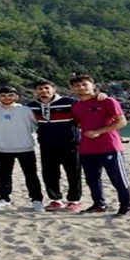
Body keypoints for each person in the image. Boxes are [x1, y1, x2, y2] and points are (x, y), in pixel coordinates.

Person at [69, 75, 130, 218]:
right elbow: (80, 123)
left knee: (118, 179)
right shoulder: (76, 106)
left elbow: (122, 122)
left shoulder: (108, 101)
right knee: (92, 179)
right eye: (77, 86)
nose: (81, 87)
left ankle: (126, 207)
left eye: (84, 84)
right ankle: (99, 204)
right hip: (87, 148)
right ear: (72, 89)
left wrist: (99, 132)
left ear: (93, 85)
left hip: (109, 146)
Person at [0, 87, 43, 211]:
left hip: (25, 148)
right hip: (2, 149)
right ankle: (4, 199)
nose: (7, 98)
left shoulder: (26, 110)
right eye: (3, 95)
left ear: (17, 97)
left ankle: (37, 200)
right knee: (3, 176)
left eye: (10, 95)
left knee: (31, 176)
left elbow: (37, 126)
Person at [27, 80, 83, 212]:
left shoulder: (69, 102)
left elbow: (86, 115)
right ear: (36, 91)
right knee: (49, 173)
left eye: (47, 88)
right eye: (40, 88)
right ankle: (56, 200)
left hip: (70, 144)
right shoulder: (32, 106)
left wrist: (100, 95)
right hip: (47, 144)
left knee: (73, 173)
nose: (43, 91)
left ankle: (74, 201)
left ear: (54, 89)